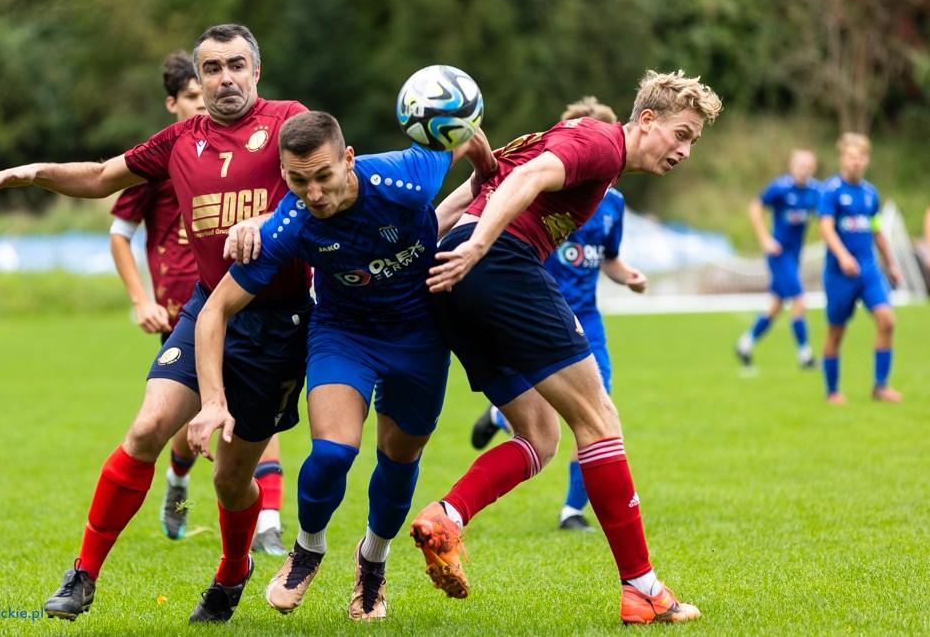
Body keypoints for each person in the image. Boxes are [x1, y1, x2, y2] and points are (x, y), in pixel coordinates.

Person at [0, 23, 313, 623]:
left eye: (236, 65)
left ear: (256, 72)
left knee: (234, 480)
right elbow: (104, 177)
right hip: (206, 309)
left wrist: (271, 226)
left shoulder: (289, 120)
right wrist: (37, 173)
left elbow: (326, 185)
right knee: (147, 428)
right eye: (212, 69)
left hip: (278, 325)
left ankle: (233, 570)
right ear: (199, 79)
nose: (225, 78)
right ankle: (82, 574)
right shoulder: (181, 140)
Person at [410, 70, 721, 624]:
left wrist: (436, 253)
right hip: (496, 263)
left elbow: (473, 192)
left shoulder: (571, 140)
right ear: (646, 120)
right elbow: (527, 180)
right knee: (600, 421)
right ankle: (642, 588)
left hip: (457, 277)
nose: (685, 149)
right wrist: (479, 248)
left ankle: (447, 516)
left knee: (539, 436)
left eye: (693, 140)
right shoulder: (599, 143)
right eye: (682, 133)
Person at [187, 110, 495, 621]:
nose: (313, 193)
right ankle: (307, 549)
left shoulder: (407, 174)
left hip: (418, 335)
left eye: (324, 176)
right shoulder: (292, 221)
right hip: (342, 333)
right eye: (297, 180)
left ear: (348, 160)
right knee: (332, 452)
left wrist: (485, 173)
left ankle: (372, 563)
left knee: (399, 461)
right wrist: (214, 401)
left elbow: (459, 132)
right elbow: (214, 311)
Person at [108, 50, 287, 554]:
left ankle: (269, 522)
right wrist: (140, 299)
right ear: (175, 102)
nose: (200, 103)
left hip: (249, 301)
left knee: (257, 416)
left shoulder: (257, 145)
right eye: (190, 95)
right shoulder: (164, 158)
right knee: (189, 427)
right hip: (184, 307)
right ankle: (179, 487)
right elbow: (120, 233)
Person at [469, 97, 648, 533]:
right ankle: (501, 416)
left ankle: (572, 509)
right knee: (571, 414)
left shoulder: (613, 203)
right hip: (538, 309)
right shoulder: (547, 186)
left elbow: (608, 257)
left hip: (587, 317)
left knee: (596, 408)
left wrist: (629, 277)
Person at [818, 132, 903, 404]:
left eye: (861, 157)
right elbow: (826, 228)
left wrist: (891, 263)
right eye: (851, 156)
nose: (856, 162)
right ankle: (832, 391)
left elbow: (876, 230)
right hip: (839, 274)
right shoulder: (830, 191)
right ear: (842, 158)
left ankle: (880, 386)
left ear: (866, 160)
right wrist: (843, 256)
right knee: (836, 332)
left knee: (887, 320)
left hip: (868, 270)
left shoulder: (870, 193)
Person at [735, 149, 821, 368]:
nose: (805, 170)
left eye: (809, 166)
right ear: (792, 166)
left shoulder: (814, 191)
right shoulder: (780, 188)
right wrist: (765, 239)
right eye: (801, 165)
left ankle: (745, 344)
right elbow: (755, 208)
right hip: (778, 253)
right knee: (799, 299)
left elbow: (825, 215)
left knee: (775, 306)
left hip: (794, 255)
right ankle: (805, 355)